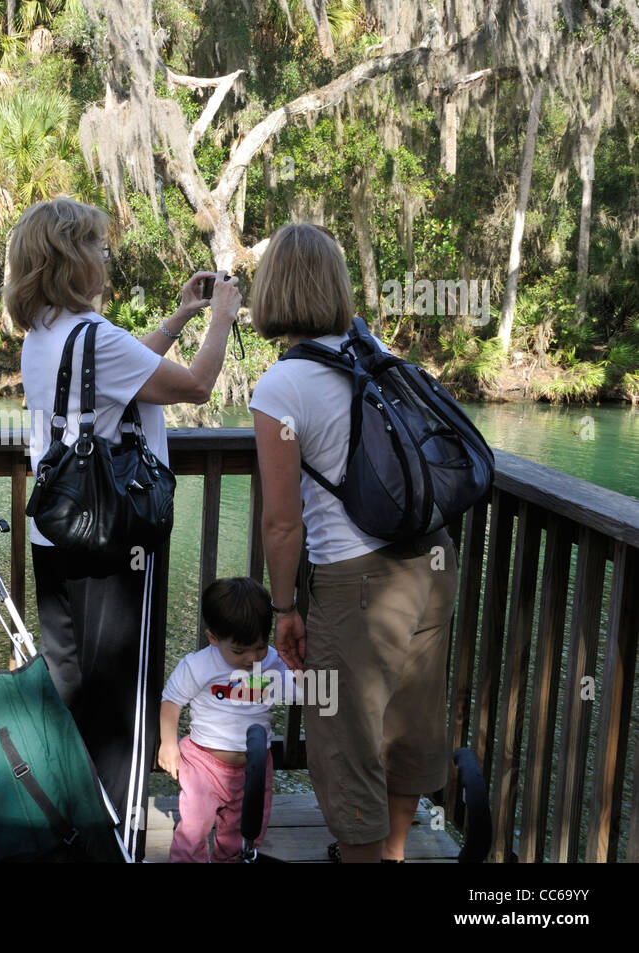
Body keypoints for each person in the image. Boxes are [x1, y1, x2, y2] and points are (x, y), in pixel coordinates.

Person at [10, 196, 241, 859]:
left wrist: (180, 314)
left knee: (70, 689)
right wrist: (221, 317)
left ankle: (69, 831)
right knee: (121, 709)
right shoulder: (92, 338)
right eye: (100, 249)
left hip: (57, 536)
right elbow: (196, 385)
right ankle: (115, 838)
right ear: (72, 259)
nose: (107, 260)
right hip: (114, 544)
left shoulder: (46, 333)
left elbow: (122, 368)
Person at [248, 222, 459, 863]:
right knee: (409, 725)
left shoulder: (282, 386)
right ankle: (391, 853)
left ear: (272, 292)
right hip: (431, 563)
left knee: (346, 743)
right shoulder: (377, 355)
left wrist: (284, 609)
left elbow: (283, 523)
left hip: (355, 580)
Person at [158, 577, 296, 863]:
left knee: (241, 835)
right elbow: (172, 700)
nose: (251, 658)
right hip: (203, 766)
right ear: (213, 638)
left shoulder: (272, 662)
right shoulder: (198, 666)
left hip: (254, 768)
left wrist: (302, 668)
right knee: (192, 833)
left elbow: (295, 691)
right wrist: (168, 744)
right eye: (239, 650)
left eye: (259, 647)